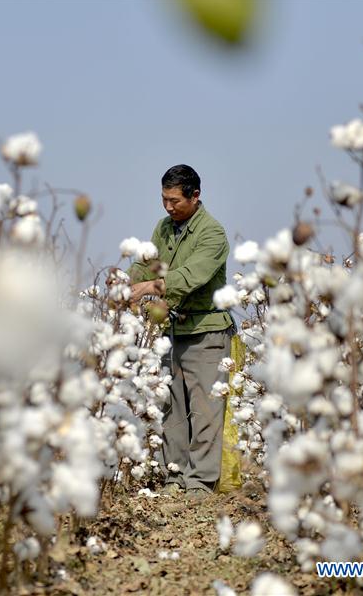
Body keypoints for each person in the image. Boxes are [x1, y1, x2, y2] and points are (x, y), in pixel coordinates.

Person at [128, 164, 233, 500]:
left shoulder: (213, 234)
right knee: (171, 408)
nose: (169, 207)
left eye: (175, 201)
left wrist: (147, 287)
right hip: (172, 331)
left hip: (207, 332)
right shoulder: (164, 227)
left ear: (195, 196)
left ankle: (200, 483)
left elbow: (189, 277)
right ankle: (174, 476)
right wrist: (126, 281)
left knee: (204, 411)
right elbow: (147, 263)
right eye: (164, 199)